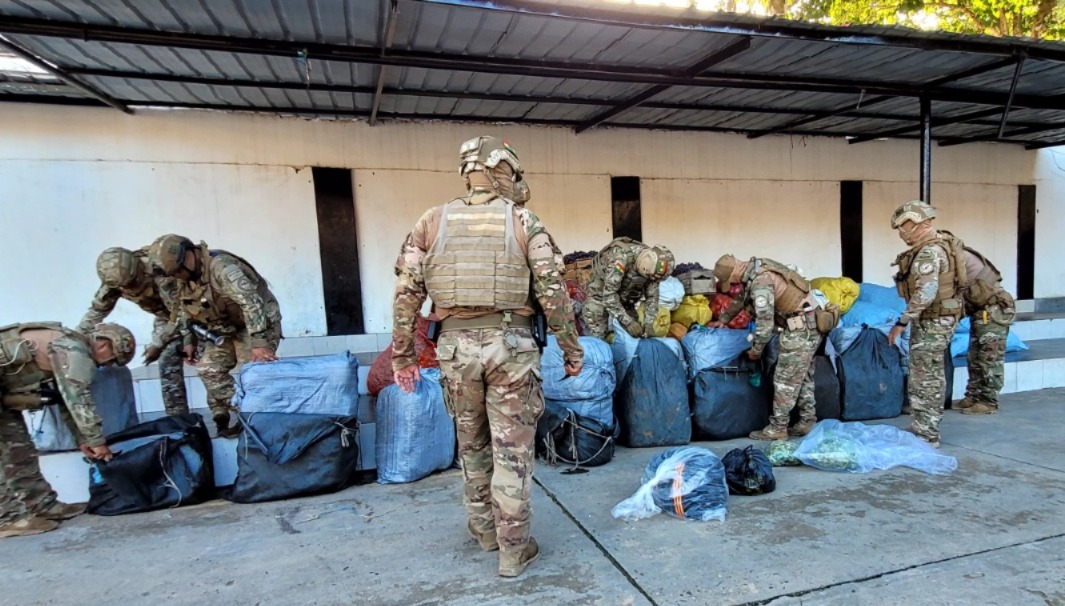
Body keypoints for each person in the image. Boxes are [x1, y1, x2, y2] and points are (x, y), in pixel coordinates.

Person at [391, 135, 583, 578]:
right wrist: (571, 349)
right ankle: (513, 550)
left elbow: (406, 293)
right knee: (512, 452)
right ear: (505, 170)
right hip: (511, 349)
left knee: (472, 444)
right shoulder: (524, 220)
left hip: (455, 351)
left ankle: (483, 530)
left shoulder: (431, 221)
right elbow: (553, 293)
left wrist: (403, 356)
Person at [0, 322, 133, 537]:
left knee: (19, 450)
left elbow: (64, 398)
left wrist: (82, 438)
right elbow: (78, 397)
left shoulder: (66, 346)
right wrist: (96, 441)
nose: (108, 365)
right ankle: (7, 519)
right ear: (103, 345)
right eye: (112, 359)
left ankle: (43, 506)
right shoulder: (74, 350)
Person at [147, 235, 282, 438]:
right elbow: (182, 311)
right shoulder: (184, 280)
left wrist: (259, 341)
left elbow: (251, 302)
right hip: (225, 328)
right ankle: (250, 413)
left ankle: (268, 421)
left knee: (253, 373)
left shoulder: (222, 268)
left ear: (187, 256)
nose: (178, 277)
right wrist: (189, 341)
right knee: (208, 370)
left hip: (257, 323)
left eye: (178, 271)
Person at [711, 255, 824, 440]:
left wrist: (756, 350)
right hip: (810, 325)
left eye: (729, 281)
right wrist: (723, 320)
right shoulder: (756, 269)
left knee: (785, 380)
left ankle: (778, 428)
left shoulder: (760, 282)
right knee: (801, 376)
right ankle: (807, 422)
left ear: (733, 273)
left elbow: (764, 323)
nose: (731, 285)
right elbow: (741, 299)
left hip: (801, 329)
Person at [79, 246, 192, 416]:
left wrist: (158, 344)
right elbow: (94, 314)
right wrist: (74, 344)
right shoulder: (116, 281)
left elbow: (181, 313)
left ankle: (223, 415)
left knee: (211, 362)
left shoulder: (160, 272)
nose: (129, 289)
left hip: (195, 312)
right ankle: (179, 420)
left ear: (138, 269)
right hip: (166, 317)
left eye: (131, 284)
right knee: (168, 362)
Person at [888, 200, 964, 448]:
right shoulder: (942, 244)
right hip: (940, 318)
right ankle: (924, 427)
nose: (902, 233)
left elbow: (926, 292)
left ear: (917, 223)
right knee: (930, 373)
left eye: (904, 226)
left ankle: (927, 435)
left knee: (925, 377)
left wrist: (902, 321)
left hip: (932, 320)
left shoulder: (928, 252)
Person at [951, 238, 1016, 415]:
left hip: (993, 309)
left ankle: (988, 401)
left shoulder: (959, 257)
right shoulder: (956, 256)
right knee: (974, 356)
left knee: (989, 357)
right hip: (981, 311)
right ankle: (973, 396)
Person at [582, 238, 674, 340]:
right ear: (645, 267)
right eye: (649, 276)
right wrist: (628, 322)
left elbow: (652, 297)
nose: (650, 280)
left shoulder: (654, 270)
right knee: (598, 336)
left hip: (625, 300)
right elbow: (609, 296)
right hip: (599, 297)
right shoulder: (620, 257)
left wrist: (649, 323)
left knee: (635, 335)